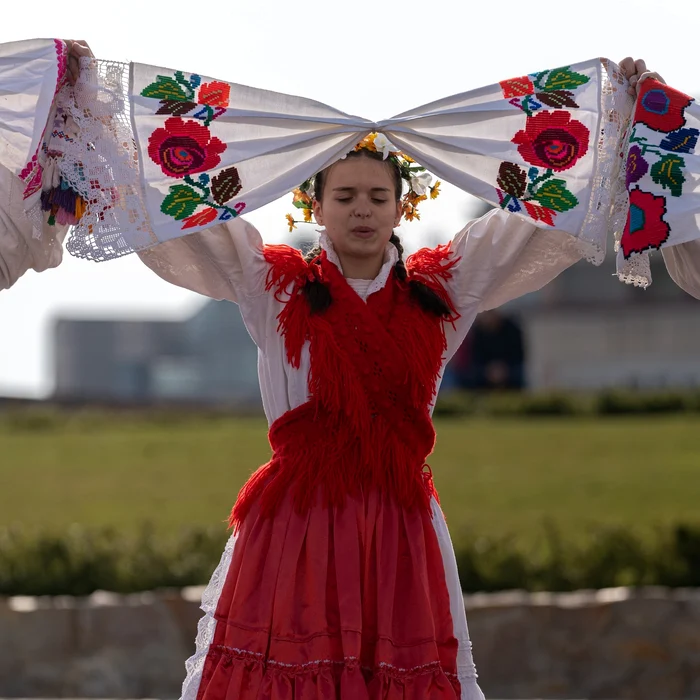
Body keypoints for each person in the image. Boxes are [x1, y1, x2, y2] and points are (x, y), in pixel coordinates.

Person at [2, 43, 698, 700]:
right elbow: (182, 217)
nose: (362, 209)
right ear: (315, 206)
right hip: (294, 521)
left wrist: (615, 126)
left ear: (403, 206)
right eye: (345, 196)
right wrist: (88, 114)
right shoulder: (270, 285)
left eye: (376, 196)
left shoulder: (443, 293)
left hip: (399, 521)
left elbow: (534, 221)